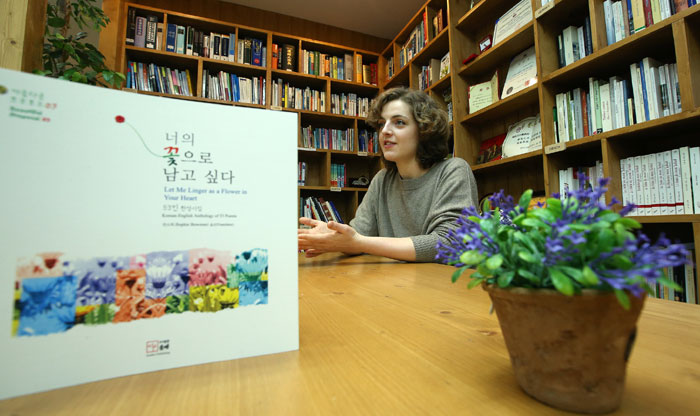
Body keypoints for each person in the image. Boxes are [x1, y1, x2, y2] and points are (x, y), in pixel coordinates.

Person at [298, 87, 478, 262]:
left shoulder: (453, 170)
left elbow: (449, 243)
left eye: (399, 122)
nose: (384, 131)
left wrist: (359, 242)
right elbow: (358, 236)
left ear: (425, 131)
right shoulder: (382, 180)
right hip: (391, 286)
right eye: (382, 124)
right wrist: (331, 236)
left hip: (442, 286)